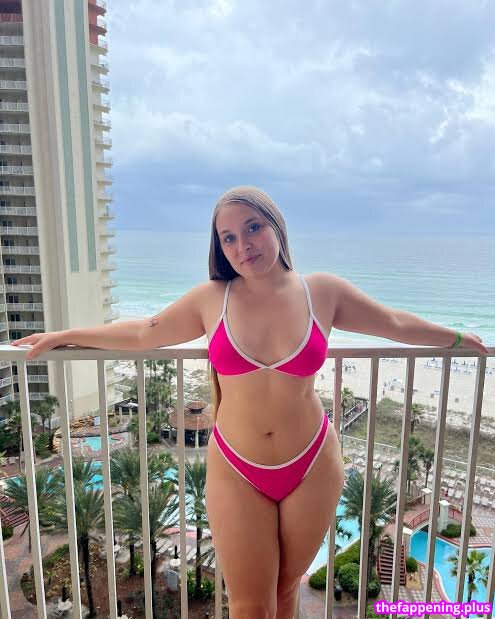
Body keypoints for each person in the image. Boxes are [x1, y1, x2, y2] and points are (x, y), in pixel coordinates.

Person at [11, 186, 488, 619]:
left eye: (253, 227)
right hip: (237, 467)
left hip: (312, 463)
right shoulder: (212, 298)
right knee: (249, 604)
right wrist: (63, 335)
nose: (243, 245)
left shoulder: (322, 292)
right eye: (229, 238)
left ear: (276, 225)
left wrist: (459, 338)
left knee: (286, 590)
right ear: (219, 247)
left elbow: (394, 324)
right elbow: (143, 332)